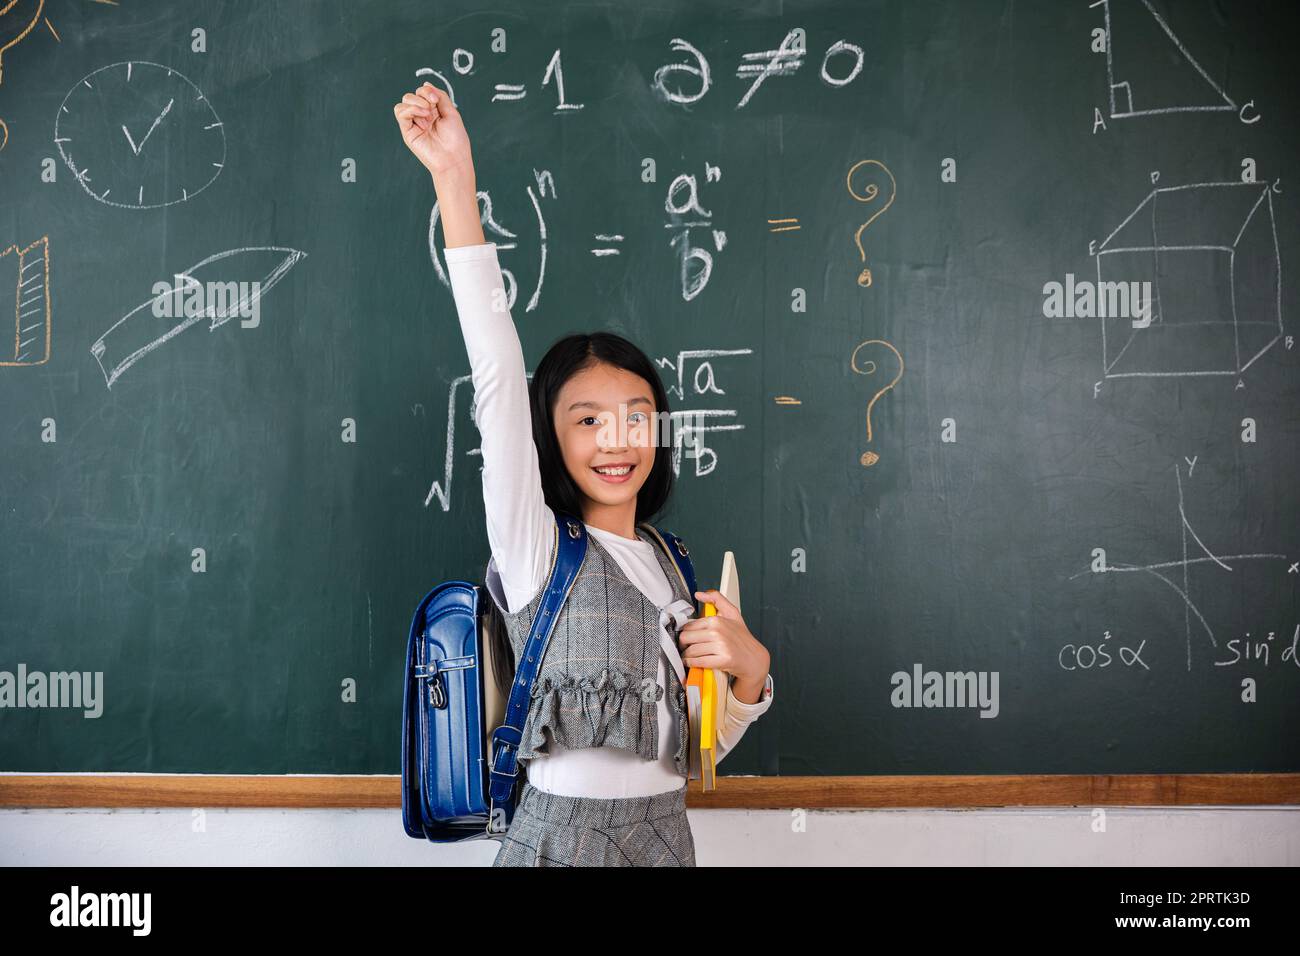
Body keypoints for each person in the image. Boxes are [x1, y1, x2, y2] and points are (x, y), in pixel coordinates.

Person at [392, 82, 774, 866]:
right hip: (556, 846)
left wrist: (752, 673)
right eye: (589, 419)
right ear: (551, 440)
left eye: (637, 414)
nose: (618, 439)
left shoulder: (678, 565)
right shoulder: (536, 548)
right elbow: (496, 371)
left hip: (667, 840)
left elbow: (698, 756)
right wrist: (454, 182)